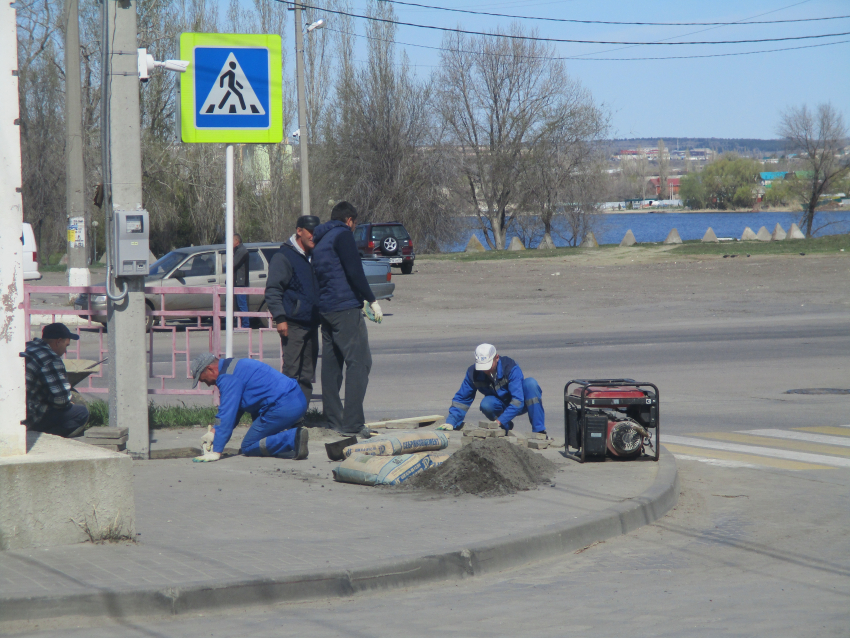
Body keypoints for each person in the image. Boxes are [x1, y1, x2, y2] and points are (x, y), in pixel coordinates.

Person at [311, 201, 383, 439]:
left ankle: (333, 419)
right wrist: (371, 299)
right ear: (349, 220)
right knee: (360, 363)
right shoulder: (343, 235)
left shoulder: (320, 240)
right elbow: (354, 271)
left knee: (332, 366)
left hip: (326, 310)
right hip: (344, 309)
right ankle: (352, 423)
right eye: (355, 224)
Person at [190, 352, 309, 462]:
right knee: (261, 438)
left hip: (284, 406)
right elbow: (236, 409)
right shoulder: (232, 366)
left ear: (210, 369)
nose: (208, 384)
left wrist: (216, 451)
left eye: (204, 379)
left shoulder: (227, 378)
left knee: (249, 446)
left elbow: (227, 413)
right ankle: (288, 437)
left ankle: (294, 438)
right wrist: (214, 431)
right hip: (297, 398)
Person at [264, 215, 321, 405]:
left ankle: (301, 415)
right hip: (293, 325)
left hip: (312, 323)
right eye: (310, 232)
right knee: (291, 374)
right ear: (299, 231)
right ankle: (286, 415)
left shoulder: (315, 255)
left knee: (307, 374)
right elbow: (273, 290)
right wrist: (280, 318)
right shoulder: (284, 256)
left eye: (316, 232)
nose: (314, 236)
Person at [438, 344, 547, 436]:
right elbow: (462, 399)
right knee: (487, 404)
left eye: (488, 365)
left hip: (521, 402)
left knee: (530, 384)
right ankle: (505, 427)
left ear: (497, 358)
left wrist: (498, 421)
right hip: (499, 404)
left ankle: (539, 431)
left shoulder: (510, 367)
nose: (485, 370)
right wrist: (451, 422)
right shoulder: (473, 373)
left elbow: (517, 401)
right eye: (482, 366)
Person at [23, 322, 89, 438]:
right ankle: (42, 437)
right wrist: (68, 402)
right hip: (28, 414)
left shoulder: (28, 346)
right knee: (81, 413)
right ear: (58, 341)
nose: (65, 351)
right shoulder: (50, 358)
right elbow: (61, 400)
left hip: (16, 405)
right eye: (66, 345)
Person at [233, 233, 250, 328]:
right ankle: (240, 324)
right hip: (236, 282)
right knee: (237, 304)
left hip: (240, 283)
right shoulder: (237, 250)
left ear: (237, 241)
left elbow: (233, 264)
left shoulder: (242, 251)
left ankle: (245, 325)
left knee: (242, 304)